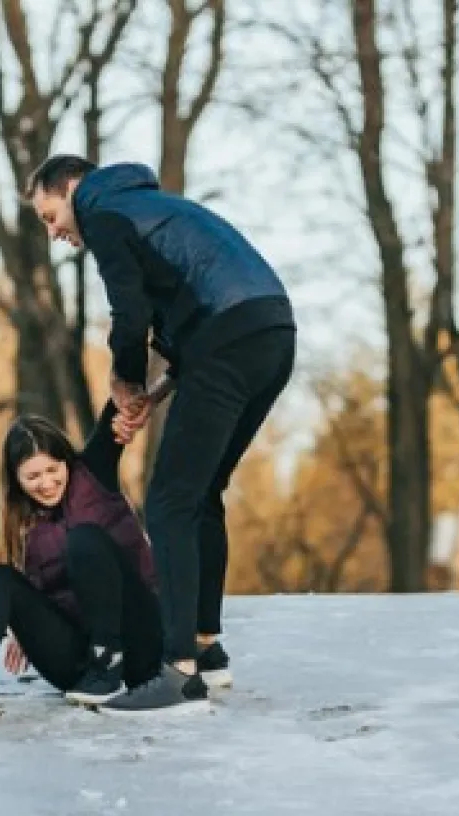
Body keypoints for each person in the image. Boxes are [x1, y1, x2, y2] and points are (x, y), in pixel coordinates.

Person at [27, 156, 296, 715]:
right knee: (200, 494)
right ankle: (206, 646)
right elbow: (190, 314)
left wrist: (125, 379)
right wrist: (155, 391)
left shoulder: (103, 211)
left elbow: (131, 314)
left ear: (71, 189)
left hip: (229, 342)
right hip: (272, 334)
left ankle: (178, 672)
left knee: (169, 501)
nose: (55, 233)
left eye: (51, 215)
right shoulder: (159, 207)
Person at [0, 400, 183, 721]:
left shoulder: (94, 473)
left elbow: (121, 403)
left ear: (66, 462)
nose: (46, 483)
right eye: (33, 476)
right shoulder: (13, 522)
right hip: (77, 670)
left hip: (140, 641)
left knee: (84, 540)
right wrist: (21, 622)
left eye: (53, 470)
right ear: (16, 480)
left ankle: (108, 660)